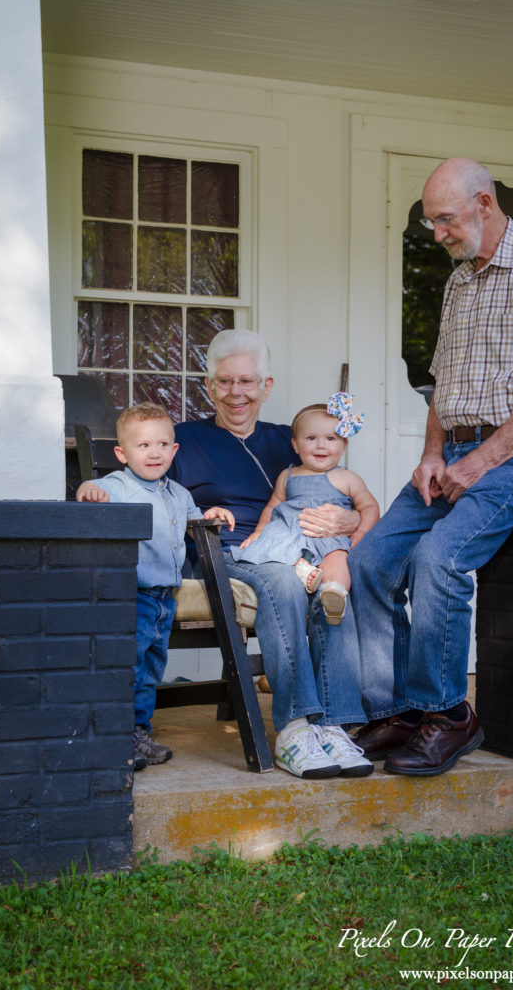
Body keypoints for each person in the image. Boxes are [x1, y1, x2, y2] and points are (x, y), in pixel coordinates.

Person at [349, 157, 513, 777]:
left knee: (439, 559)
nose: (437, 234)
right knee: (370, 559)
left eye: (444, 219)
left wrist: (480, 459)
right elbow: (444, 385)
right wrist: (433, 453)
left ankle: (449, 715)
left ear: (483, 204)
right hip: (451, 452)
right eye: (431, 222)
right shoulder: (458, 282)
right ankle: (396, 710)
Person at [170, 329, 374, 779]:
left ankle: (336, 723)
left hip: (304, 547)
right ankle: (296, 729)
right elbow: (153, 495)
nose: (235, 393)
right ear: (208, 386)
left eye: (246, 381)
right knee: (284, 579)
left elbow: (350, 494)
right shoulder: (183, 440)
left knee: (335, 584)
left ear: (267, 387)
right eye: (224, 381)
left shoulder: (292, 438)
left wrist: (351, 523)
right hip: (229, 549)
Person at [76, 402, 234, 770]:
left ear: (173, 450)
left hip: (166, 597)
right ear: (122, 453)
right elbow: (89, 487)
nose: (154, 453)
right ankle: (117, 734)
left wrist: (209, 515)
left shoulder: (179, 493)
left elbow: (194, 520)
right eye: (143, 445)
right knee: (127, 664)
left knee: (151, 667)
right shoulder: (117, 485)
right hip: (133, 595)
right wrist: (88, 490)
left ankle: (138, 731)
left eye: (162, 445)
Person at [232, 394, 379, 625]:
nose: (321, 445)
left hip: (325, 539)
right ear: (295, 445)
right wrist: (259, 532)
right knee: (276, 557)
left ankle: (334, 593)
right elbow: (273, 506)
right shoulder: (288, 475)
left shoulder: (347, 478)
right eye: (311, 438)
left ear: (344, 444)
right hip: (289, 534)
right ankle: (305, 571)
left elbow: (369, 506)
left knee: (337, 560)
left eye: (331, 438)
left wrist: (361, 532)